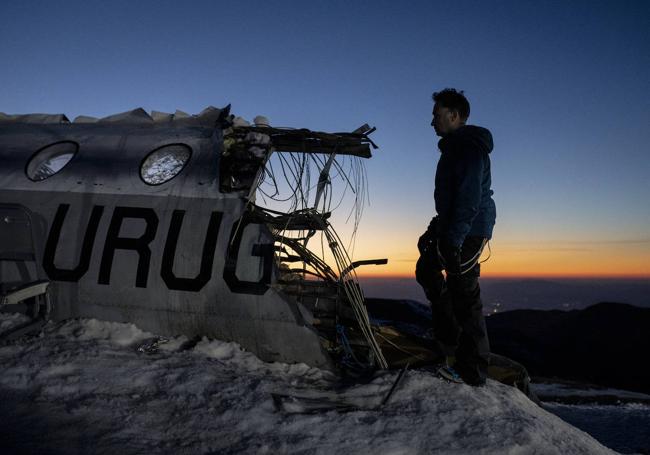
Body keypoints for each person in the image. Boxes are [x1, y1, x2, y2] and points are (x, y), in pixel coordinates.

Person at [416, 88, 496, 386]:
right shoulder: (455, 147)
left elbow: (468, 199)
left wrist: (453, 238)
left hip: (470, 228)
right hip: (455, 225)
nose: (432, 121)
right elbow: (452, 200)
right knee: (427, 269)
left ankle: (472, 370)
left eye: (436, 115)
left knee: (464, 289)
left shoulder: (467, 148)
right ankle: (449, 340)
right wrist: (435, 229)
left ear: (454, 116)